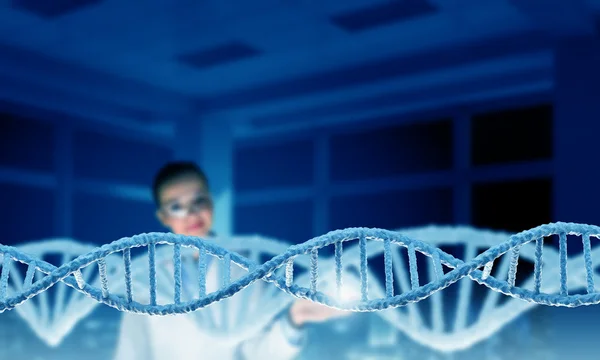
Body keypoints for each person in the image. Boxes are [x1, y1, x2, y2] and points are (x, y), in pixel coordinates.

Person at [113, 161, 349, 360]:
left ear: (211, 202)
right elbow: (131, 352)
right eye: (177, 207)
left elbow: (258, 352)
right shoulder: (145, 280)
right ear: (163, 217)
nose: (192, 214)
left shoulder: (243, 270)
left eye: (199, 201)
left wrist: (294, 319)